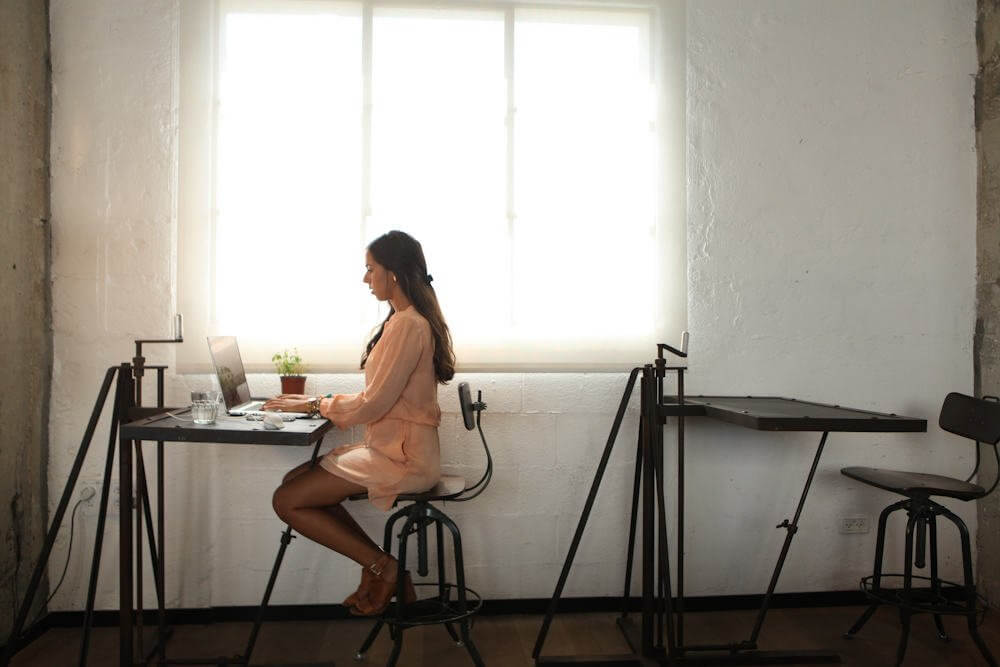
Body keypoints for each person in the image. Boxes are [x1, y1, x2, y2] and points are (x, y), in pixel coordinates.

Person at [265, 230, 455, 616]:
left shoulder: (408, 325)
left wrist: (315, 405)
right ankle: (380, 568)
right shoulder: (404, 320)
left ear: (394, 274)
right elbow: (379, 397)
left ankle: (383, 568)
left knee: (287, 500)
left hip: (404, 459)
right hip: (392, 449)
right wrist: (311, 402)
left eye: (370, 270)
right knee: (294, 486)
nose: (365, 279)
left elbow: (375, 403)